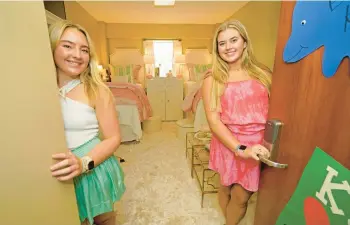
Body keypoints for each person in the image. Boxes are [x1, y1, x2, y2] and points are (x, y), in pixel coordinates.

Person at [49, 20, 125, 225]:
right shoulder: (39, 86)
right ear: (52, 46)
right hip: (56, 166)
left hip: (91, 163)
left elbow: (114, 137)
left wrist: (83, 163)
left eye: (84, 49)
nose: (77, 55)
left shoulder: (97, 90)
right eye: (67, 46)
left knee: (101, 217)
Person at [201, 19, 271, 225]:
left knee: (241, 196)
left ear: (245, 42)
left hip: (258, 144)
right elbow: (214, 121)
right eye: (222, 43)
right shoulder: (212, 79)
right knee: (225, 187)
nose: (228, 47)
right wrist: (240, 149)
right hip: (228, 143)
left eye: (233, 40)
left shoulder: (263, 73)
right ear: (217, 49)